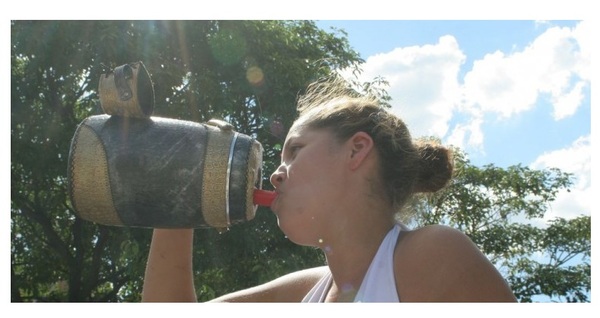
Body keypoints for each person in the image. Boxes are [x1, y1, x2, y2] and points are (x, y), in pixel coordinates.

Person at [141, 77, 517, 302]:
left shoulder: (431, 256)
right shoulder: (304, 292)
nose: (275, 175)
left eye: (295, 151)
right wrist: (181, 193)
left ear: (356, 150)